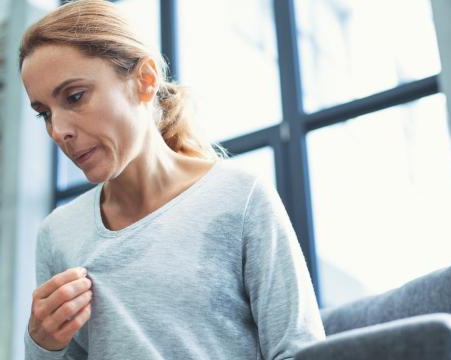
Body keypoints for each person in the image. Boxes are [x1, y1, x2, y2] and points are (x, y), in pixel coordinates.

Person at [19, 1, 325, 359]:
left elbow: (300, 351)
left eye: (74, 97)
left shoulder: (240, 197)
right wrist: (41, 343)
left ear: (145, 80)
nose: (59, 131)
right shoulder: (58, 234)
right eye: (44, 114)